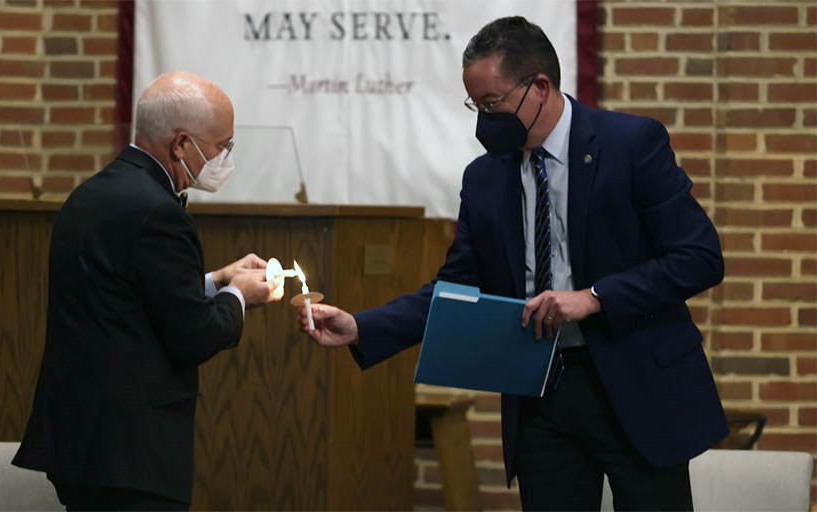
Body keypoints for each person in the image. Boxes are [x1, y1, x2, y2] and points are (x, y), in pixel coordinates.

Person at [299, 17, 727, 511]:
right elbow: (455, 287)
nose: (483, 118)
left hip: (637, 385)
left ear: (540, 87)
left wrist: (592, 299)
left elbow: (698, 258)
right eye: (475, 106)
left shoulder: (630, 145)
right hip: (540, 395)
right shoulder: (484, 178)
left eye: (492, 104)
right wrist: (362, 326)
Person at [13, 71, 282, 511]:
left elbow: (129, 296)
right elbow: (194, 334)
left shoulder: (92, 192)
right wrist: (239, 295)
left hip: (81, 443)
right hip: (132, 452)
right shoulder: (159, 212)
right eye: (221, 145)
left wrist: (215, 280)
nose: (224, 157)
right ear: (181, 144)